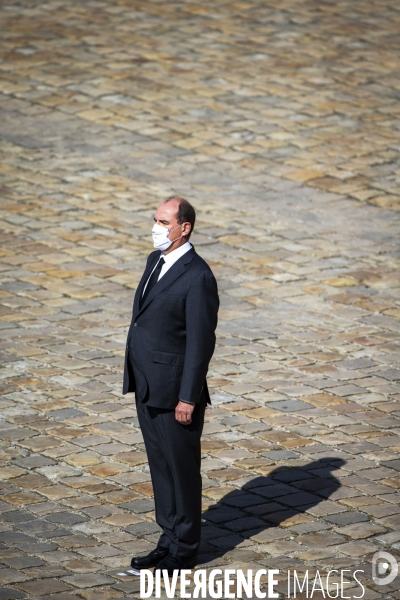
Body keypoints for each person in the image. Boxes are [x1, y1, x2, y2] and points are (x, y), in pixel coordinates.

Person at [123, 196, 219, 575]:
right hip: (147, 384)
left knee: (181, 471)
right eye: (155, 220)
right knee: (160, 469)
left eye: (164, 222)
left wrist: (187, 398)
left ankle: (186, 550)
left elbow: (200, 343)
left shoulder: (198, 276)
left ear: (184, 228)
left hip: (176, 392)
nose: (156, 227)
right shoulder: (155, 261)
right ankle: (169, 538)